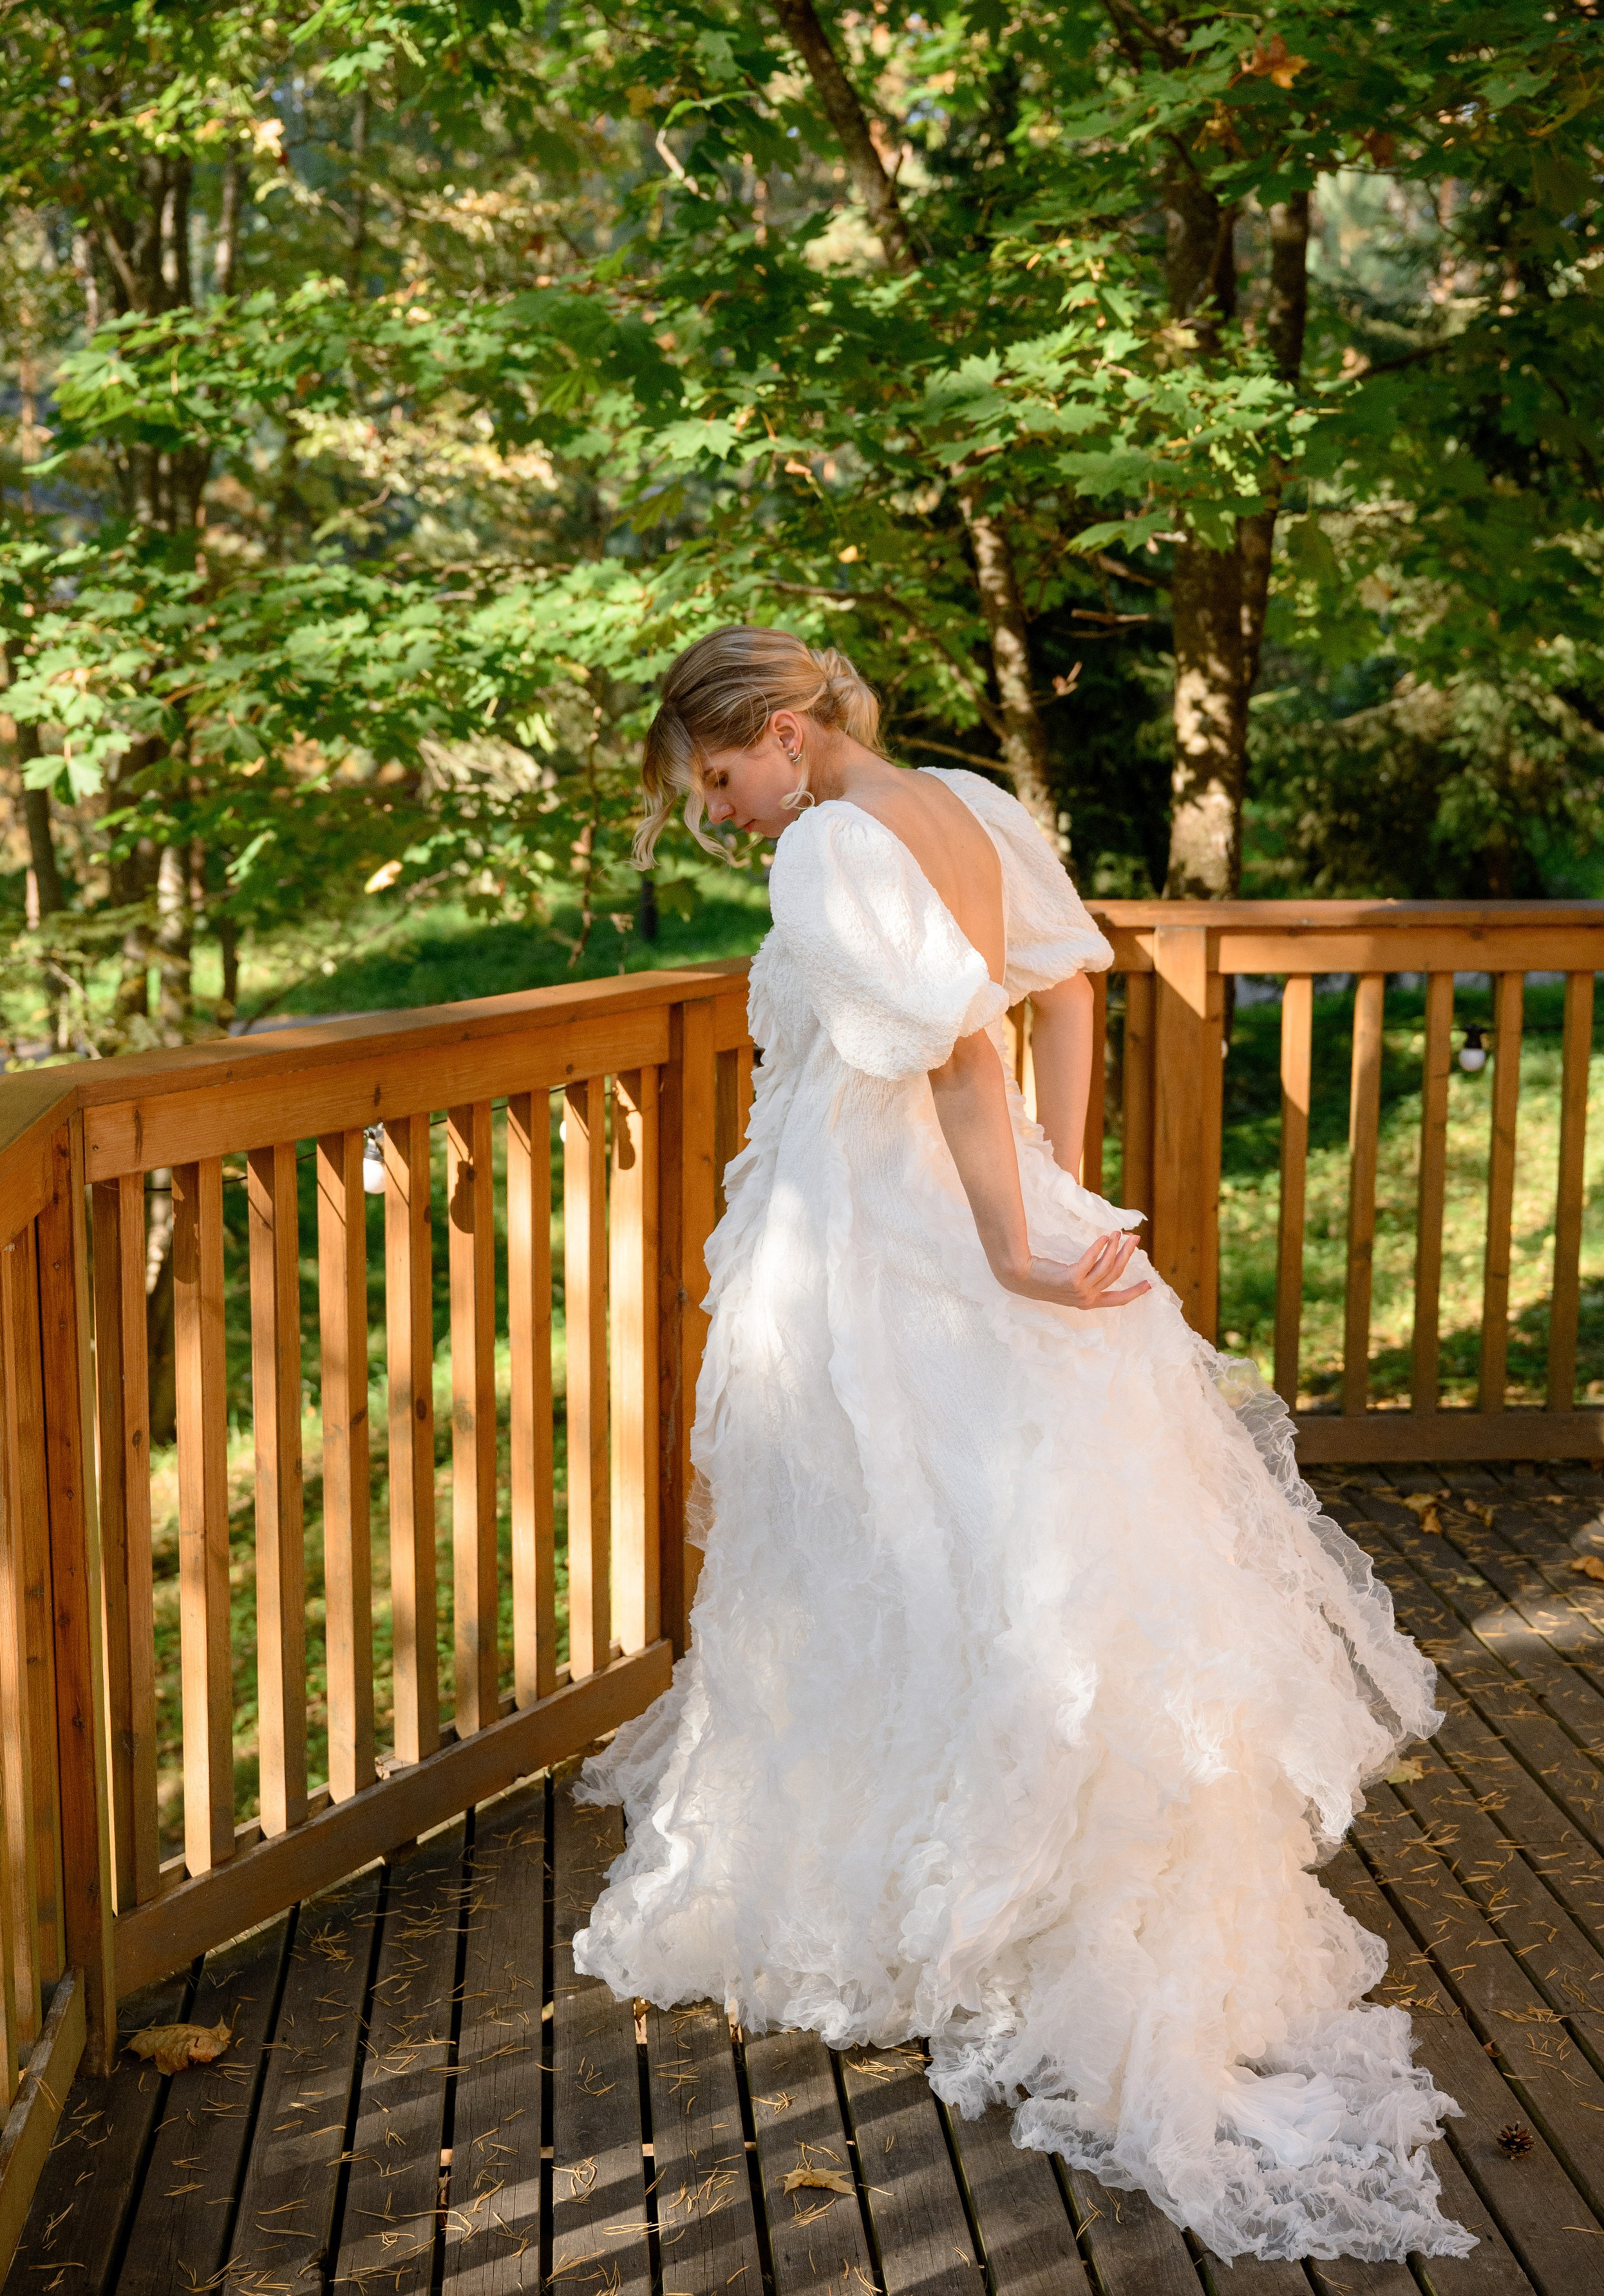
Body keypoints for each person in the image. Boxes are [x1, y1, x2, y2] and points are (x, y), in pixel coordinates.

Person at [572, 627, 1472, 2266]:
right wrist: (1051, 1172)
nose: (720, 812)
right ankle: (1001, 1873)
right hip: (964, 1193)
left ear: (784, 732)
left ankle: (935, 1894)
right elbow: (1066, 987)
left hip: (888, 1234)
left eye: (720, 775)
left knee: (900, 1534)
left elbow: (955, 1042)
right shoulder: (964, 801)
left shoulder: (829, 849)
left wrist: (1006, 1238)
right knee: (989, 1543)